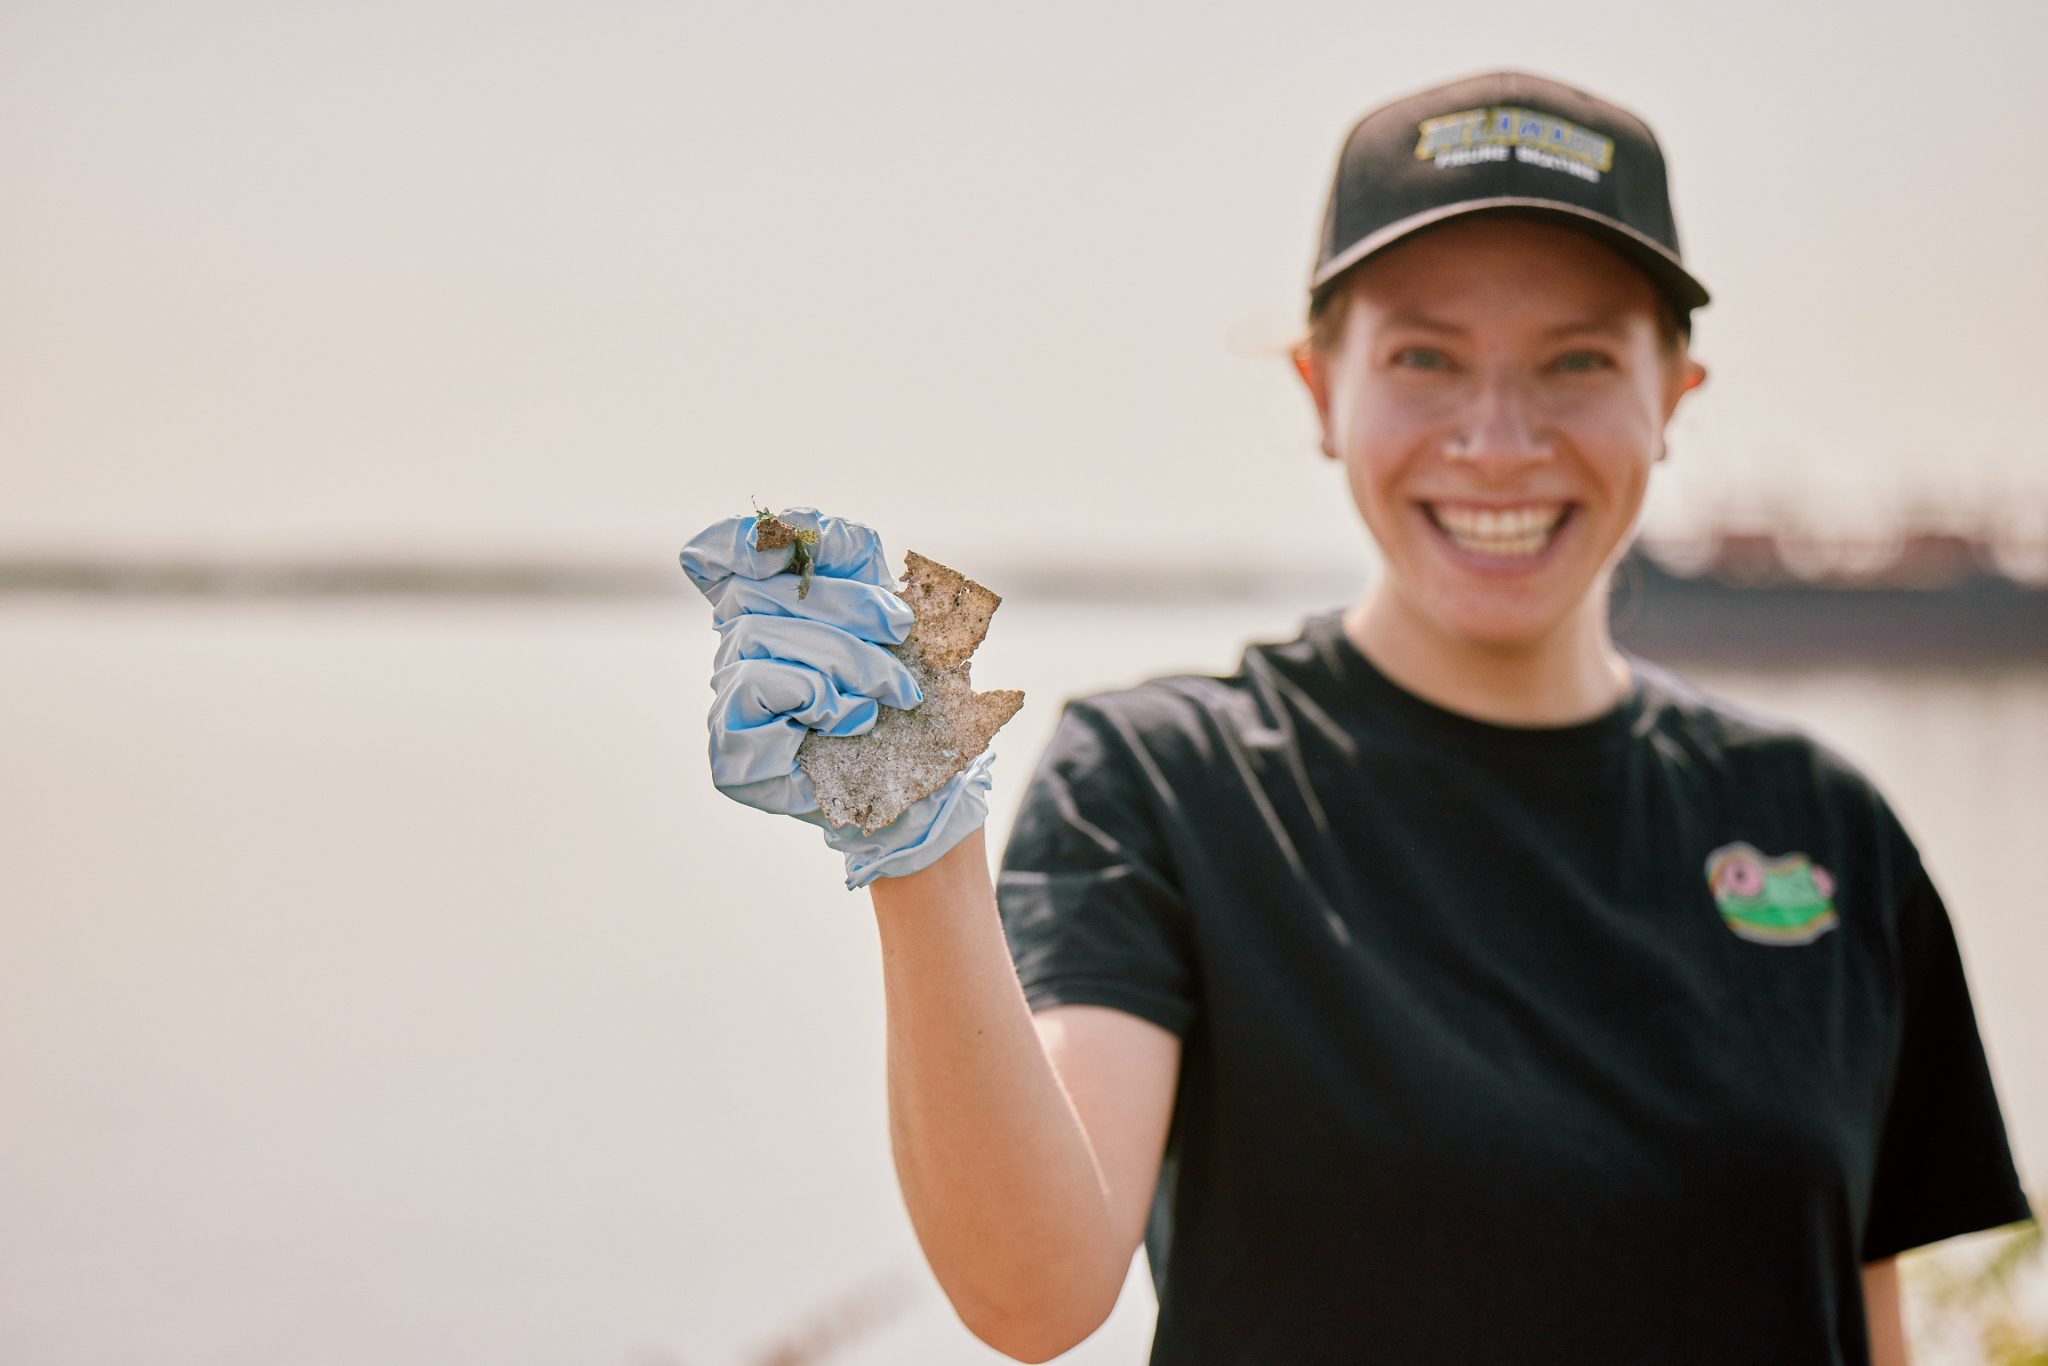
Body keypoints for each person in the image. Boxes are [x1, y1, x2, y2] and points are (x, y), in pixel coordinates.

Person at [681, 70, 2033, 1364]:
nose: (1497, 438)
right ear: (1322, 390)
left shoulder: (1827, 830)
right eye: (1427, 356)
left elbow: (1871, 1328)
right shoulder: (1168, 785)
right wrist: (915, 841)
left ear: (1674, 396)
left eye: (1574, 360)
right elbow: (1034, 1290)